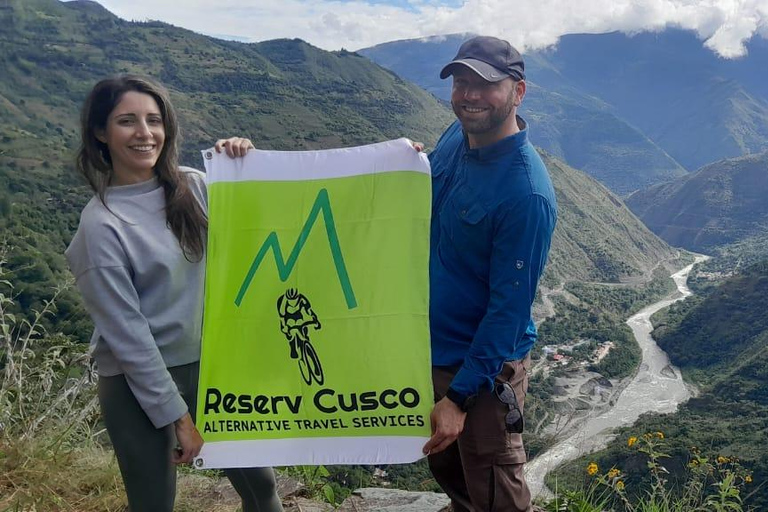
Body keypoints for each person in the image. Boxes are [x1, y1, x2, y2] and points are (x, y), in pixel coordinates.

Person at [65, 74, 283, 512]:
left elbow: (265, 227)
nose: (145, 133)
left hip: (213, 370)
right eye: (127, 121)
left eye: (154, 120)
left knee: (262, 490)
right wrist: (178, 417)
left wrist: (247, 165)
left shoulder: (195, 186)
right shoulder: (100, 226)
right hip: (136, 383)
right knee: (153, 503)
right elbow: (129, 337)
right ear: (100, 133)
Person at [421, 36, 558, 511]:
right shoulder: (455, 136)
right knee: (451, 471)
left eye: (485, 84)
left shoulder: (526, 193)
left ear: (518, 92)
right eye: (461, 81)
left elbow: (507, 311)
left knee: (495, 488)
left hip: (478, 372)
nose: (468, 94)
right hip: (431, 353)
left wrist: (458, 398)